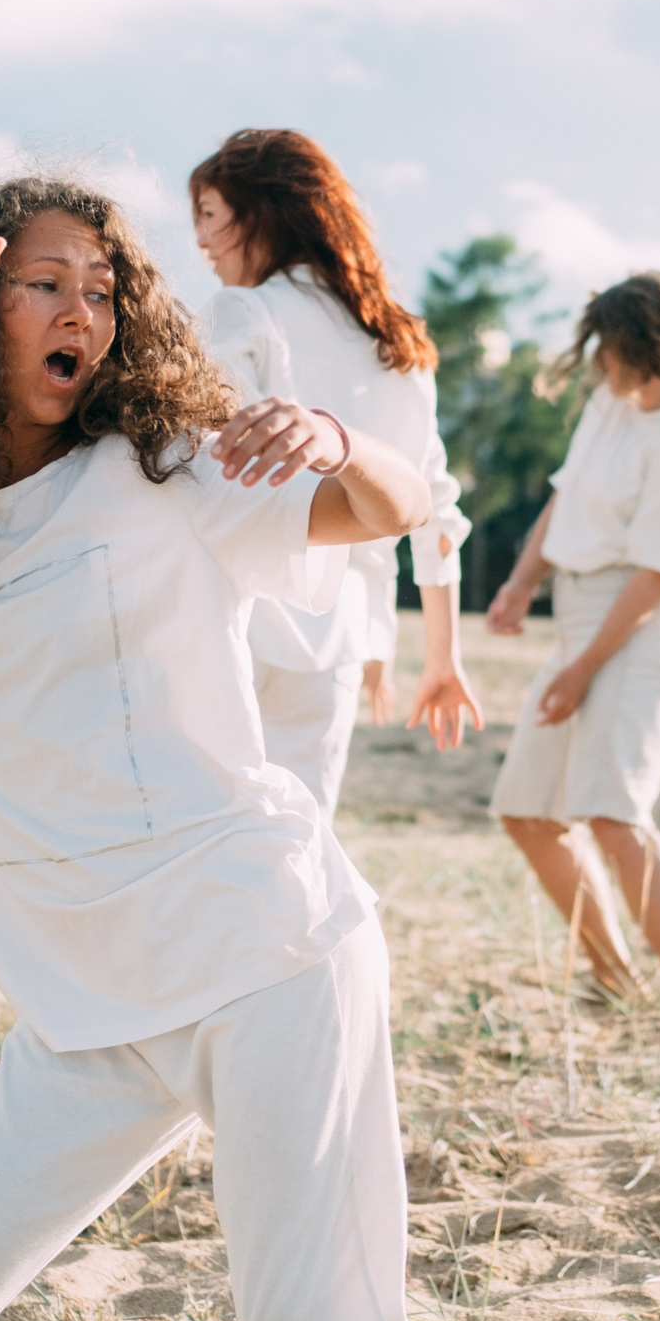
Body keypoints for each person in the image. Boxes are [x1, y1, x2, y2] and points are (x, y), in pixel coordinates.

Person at [0, 178, 456, 1321]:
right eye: (43, 283)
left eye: (102, 289)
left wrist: (343, 440)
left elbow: (391, 509)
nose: (79, 307)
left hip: (261, 956)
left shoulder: (168, 470)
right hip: (87, 1011)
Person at [191, 129, 481, 819]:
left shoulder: (246, 311)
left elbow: (208, 465)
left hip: (239, 612)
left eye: (207, 214)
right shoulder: (397, 342)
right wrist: (442, 658)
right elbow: (432, 507)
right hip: (341, 630)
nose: (200, 241)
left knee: (207, 833)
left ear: (259, 211)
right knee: (300, 838)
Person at [488, 271, 660, 1015]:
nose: (599, 362)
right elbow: (568, 493)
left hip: (645, 623)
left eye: (610, 348)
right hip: (582, 611)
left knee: (615, 812)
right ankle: (614, 978)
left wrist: (585, 667)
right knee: (526, 809)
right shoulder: (612, 401)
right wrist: (522, 579)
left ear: (645, 347)